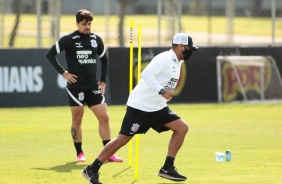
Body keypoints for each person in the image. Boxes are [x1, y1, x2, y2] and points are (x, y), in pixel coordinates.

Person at [81, 33, 199, 184]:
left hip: (158, 107)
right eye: (189, 48)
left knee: (182, 128)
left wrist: (164, 93)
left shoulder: (178, 62)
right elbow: (146, 73)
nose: (190, 52)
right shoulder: (164, 59)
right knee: (122, 140)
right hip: (141, 106)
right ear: (181, 46)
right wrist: (162, 91)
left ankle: (167, 167)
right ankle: (92, 169)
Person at [46, 9, 123, 163]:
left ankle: (108, 153)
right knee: (77, 119)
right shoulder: (70, 39)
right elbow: (50, 54)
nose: (87, 27)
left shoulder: (96, 39)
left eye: (89, 24)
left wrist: (103, 81)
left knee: (104, 117)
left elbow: (104, 60)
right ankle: (79, 153)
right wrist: (64, 73)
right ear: (77, 23)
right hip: (76, 87)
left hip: (93, 85)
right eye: (84, 24)